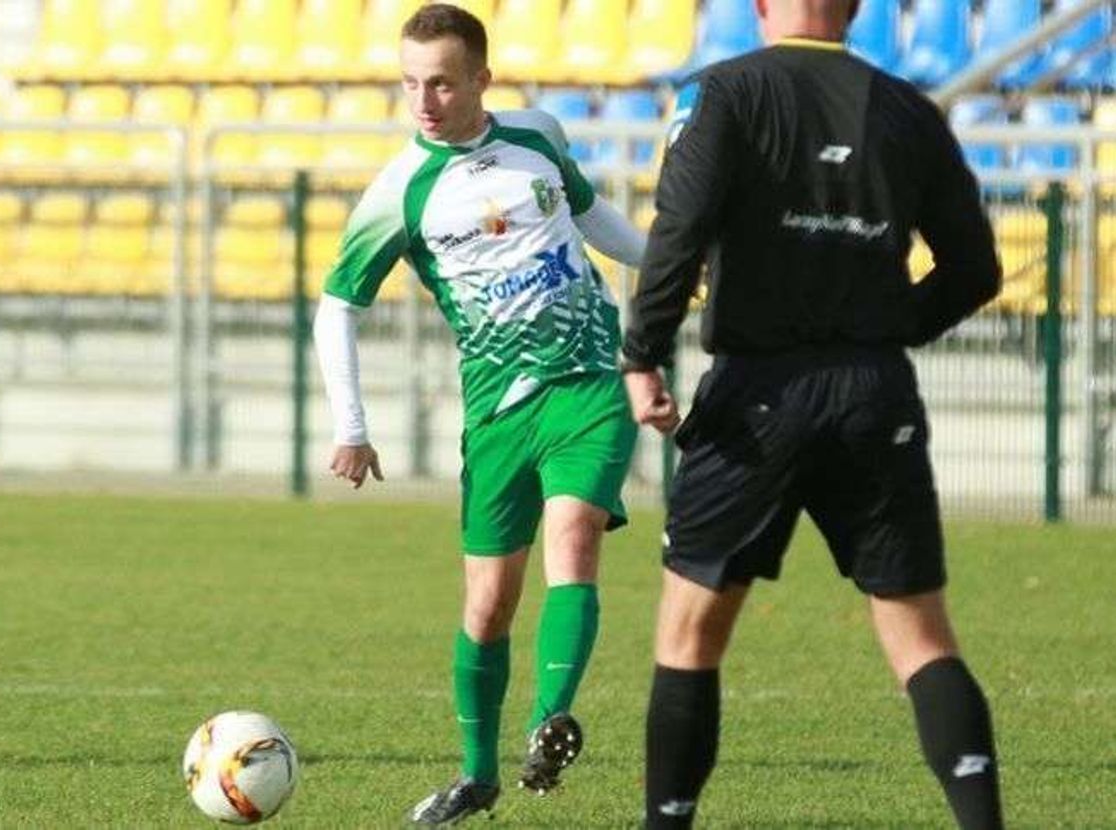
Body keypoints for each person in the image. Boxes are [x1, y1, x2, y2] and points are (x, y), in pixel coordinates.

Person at [620, 1, 1004, 828]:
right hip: (874, 391)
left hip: (755, 396)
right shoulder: (908, 108)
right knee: (922, 638)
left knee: (689, 634)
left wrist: (642, 353)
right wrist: (888, 327)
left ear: (761, 4)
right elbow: (975, 266)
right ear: (857, 8)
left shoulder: (723, 91)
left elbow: (680, 226)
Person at [313, 3, 646, 825]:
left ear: (481, 80)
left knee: (575, 538)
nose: (423, 101)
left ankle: (549, 724)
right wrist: (351, 426)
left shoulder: (538, 135)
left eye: (440, 83)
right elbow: (336, 307)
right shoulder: (400, 190)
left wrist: (669, 265)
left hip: (587, 383)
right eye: (410, 84)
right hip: (498, 411)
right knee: (488, 604)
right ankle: (477, 777)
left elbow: (590, 214)